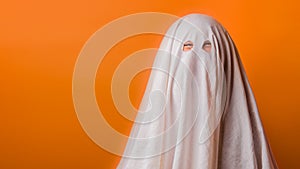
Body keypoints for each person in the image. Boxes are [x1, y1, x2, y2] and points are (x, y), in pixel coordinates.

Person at [117, 13, 278, 169]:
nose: (198, 60)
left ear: (226, 58)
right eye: (187, 47)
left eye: (208, 47)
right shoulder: (157, 124)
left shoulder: (243, 131)